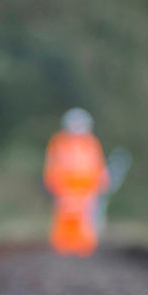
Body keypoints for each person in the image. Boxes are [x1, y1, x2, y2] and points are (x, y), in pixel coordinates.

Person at [43, 108, 109, 257]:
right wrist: (55, 187)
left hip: (86, 193)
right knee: (65, 222)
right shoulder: (59, 143)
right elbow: (52, 166)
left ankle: (84, 250)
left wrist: (101, 183)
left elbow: (98, 166)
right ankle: (63, 249)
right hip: (65, 191)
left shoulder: (92, 143)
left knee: (85, 224)